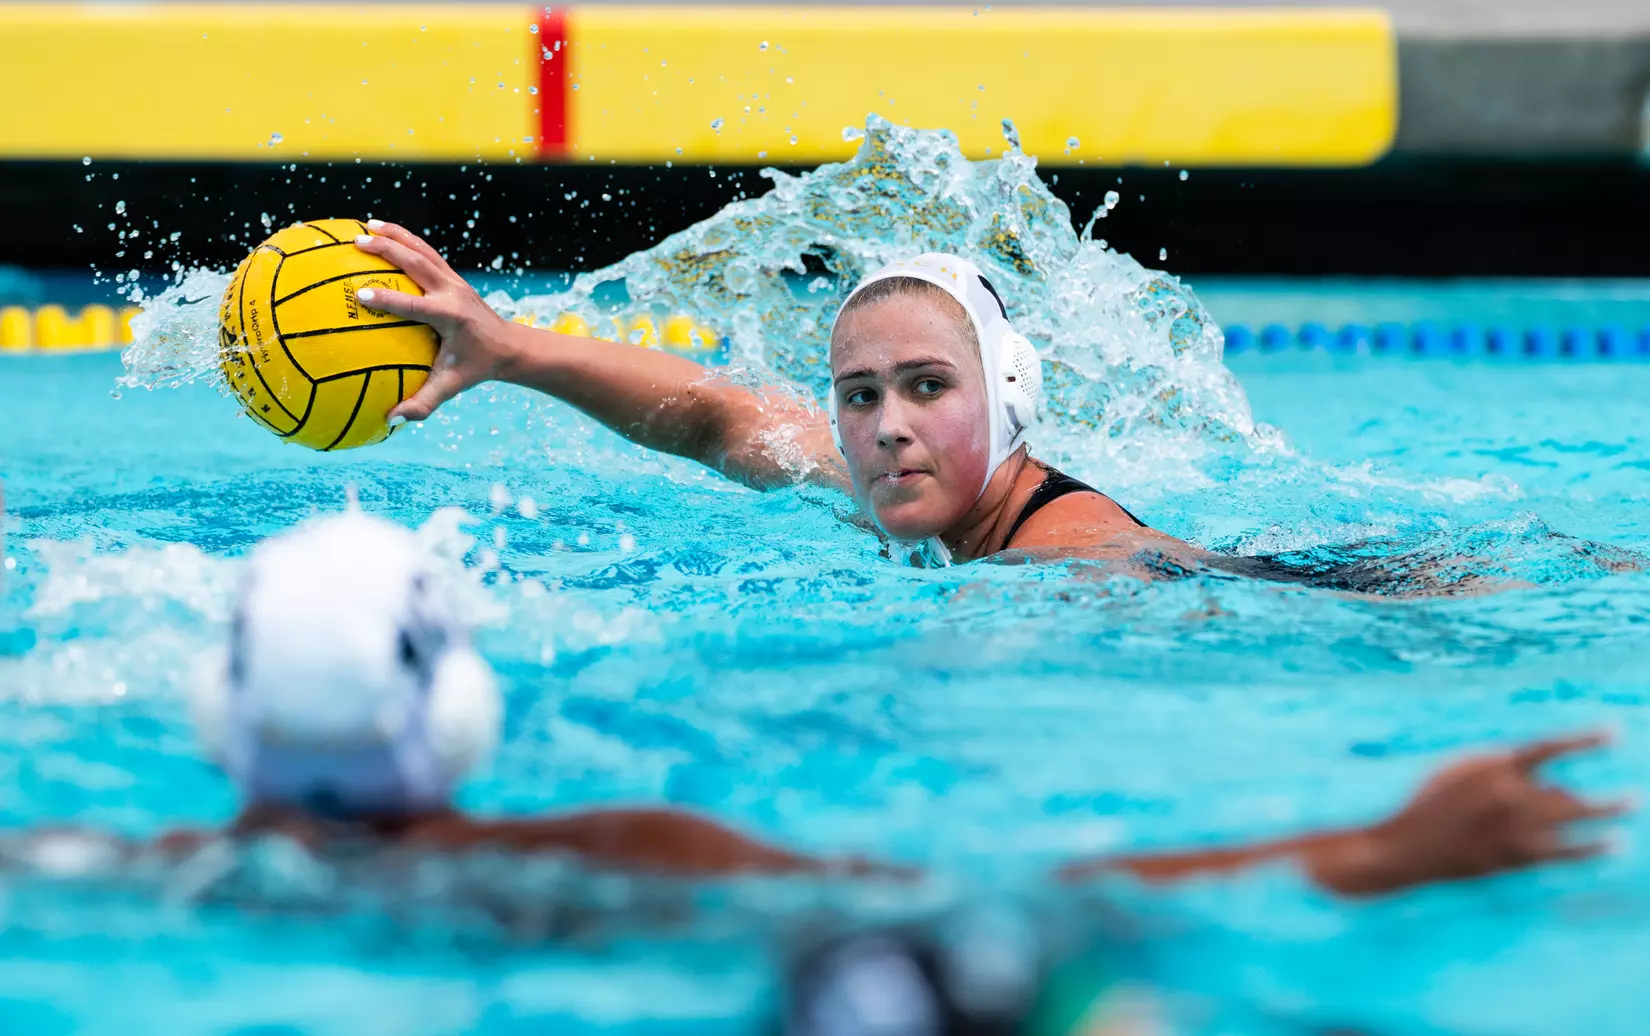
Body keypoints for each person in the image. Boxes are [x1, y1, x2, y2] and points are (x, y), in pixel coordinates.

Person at [15, 512, 1626, 899]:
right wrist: (1371, 845)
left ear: (217, 714)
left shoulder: (108, 865)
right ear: (459, 713)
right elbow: (982, 905)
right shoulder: (616, 863)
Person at [348, 224, 1557, 592]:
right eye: (860, 396)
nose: (886, 425)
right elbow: (718, 415)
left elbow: (1237, 591)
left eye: (928, 388)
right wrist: (505, 348)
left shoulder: (1078, 555)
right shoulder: (891, 484)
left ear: (1010, 398)